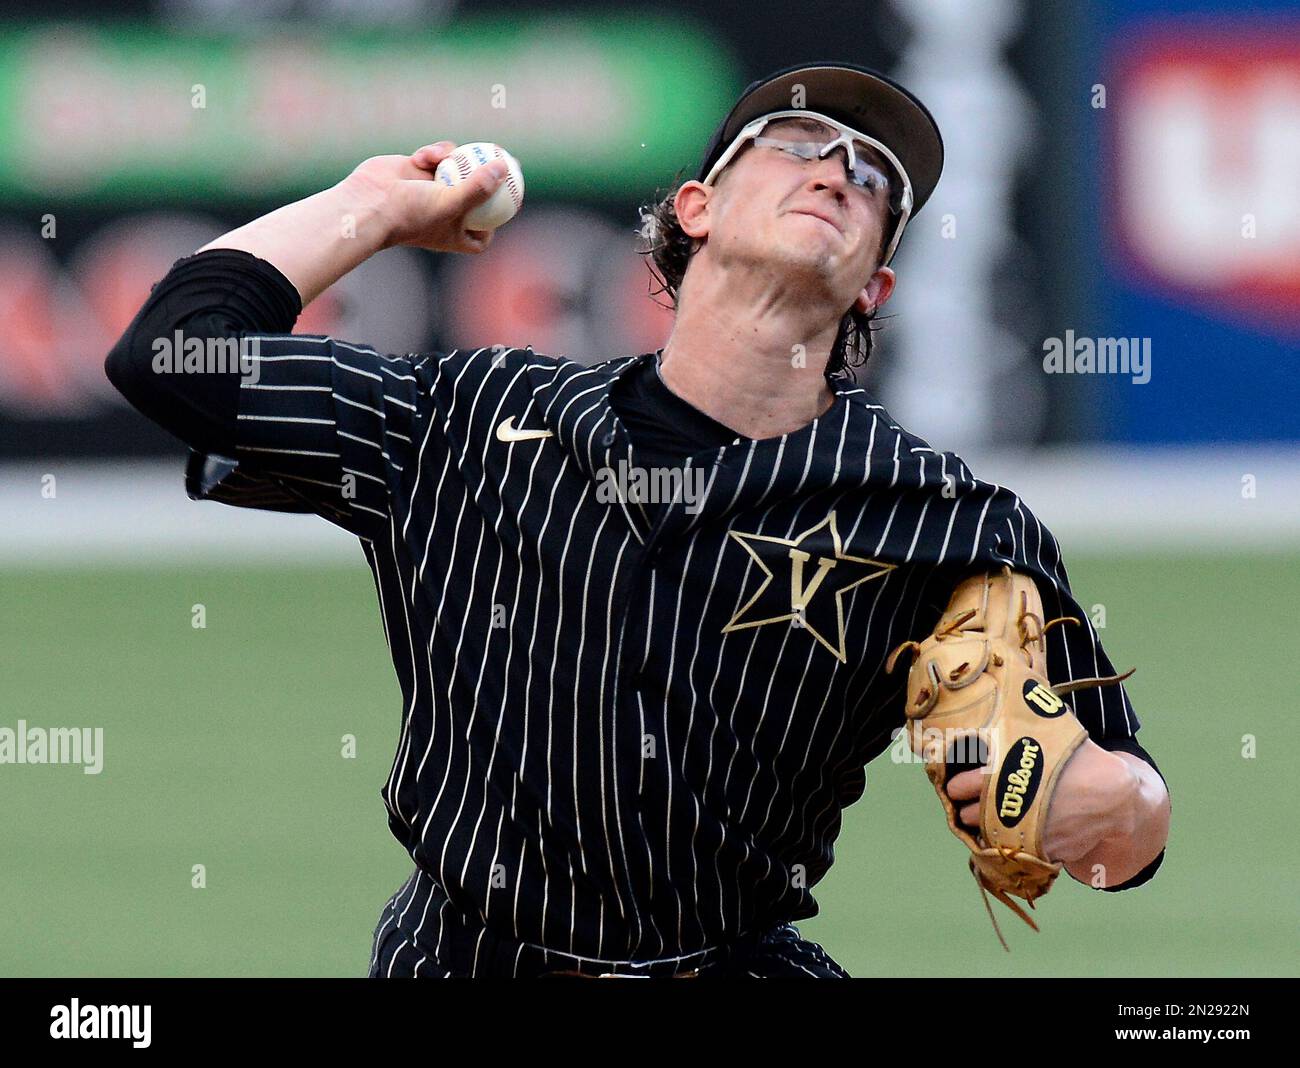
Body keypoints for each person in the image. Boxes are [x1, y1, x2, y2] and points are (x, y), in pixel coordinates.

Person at [104, 61, 1170, 978]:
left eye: (873, 176)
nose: (839, 170)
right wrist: (371, 207)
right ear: (695, 209)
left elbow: (1127, 825)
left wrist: (1114, 810)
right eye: (799, 140)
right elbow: (169, 354)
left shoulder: (941, 520)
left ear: (873, 286)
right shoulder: (472, 420)